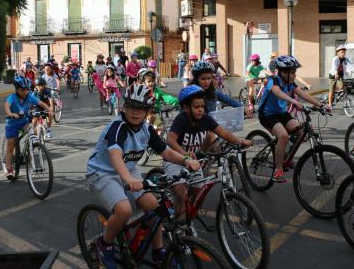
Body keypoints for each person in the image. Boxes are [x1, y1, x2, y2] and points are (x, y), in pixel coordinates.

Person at [86, 84, 200, 268]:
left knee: (155, 209)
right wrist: (128, 179)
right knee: (124, 210)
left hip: (129, 170)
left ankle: (158, 251)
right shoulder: (118, 127)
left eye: (141, 109)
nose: (135, 112)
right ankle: (104, 243)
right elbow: (115, 154)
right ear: (124, 107)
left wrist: (186, 160)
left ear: (147, 112)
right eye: (131, 106)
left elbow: (166, 152)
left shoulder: (146, 129)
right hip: (103, 172)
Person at [164, 85, 252, 218]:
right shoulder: (181, 119)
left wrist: (240, 142)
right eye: (196, 107)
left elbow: (223, 133)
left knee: (198, 191)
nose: (201, 110)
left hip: (193, 162)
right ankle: (179, 227)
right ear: (186, 108)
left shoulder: (206, 119)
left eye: (202, 106)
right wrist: (184, 153)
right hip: (175, 160)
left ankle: (187, 211)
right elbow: (170, 140)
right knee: (181, 194)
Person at [258, 55, 328, 183]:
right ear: (284, 72)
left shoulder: (290, 83)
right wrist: (293, 102)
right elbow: (278, 92)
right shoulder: (272, 81)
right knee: (283, 136)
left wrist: (321, 105)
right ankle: (277, 171)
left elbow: (304, 94)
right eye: (293, 72)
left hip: (282, 113)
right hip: (267, 115)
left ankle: (286, 155)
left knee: (301, 132)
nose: (295, 75)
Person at [4, 76, 51, 179]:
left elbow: (41, 103)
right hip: (12, 123)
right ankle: (9, 169)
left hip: (23, 121)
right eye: (22, 89)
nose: (25, 91)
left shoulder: (29, 96)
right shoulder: (12, 97)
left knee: (32, 130)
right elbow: (7, 106)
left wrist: (49, 110)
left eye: (27, 89)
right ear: (17, 89)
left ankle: (31, 148)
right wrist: (11, 113)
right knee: (10, 147)